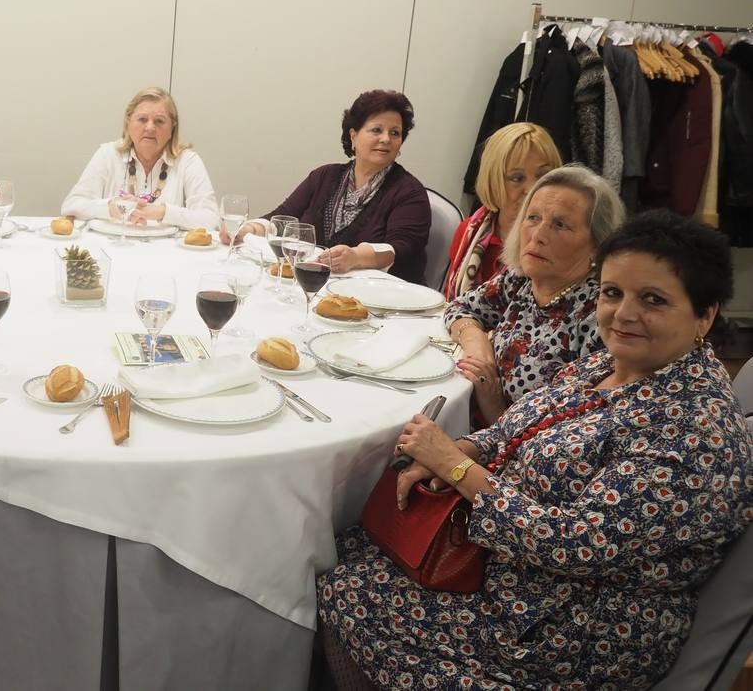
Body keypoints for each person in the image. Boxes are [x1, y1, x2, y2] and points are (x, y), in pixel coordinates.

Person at [318, 210, 751, 690]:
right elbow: (517, 427)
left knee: (346, 588)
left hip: (567, 625)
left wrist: (457, 468)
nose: (624, 313)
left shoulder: (693, 430)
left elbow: (574, 545)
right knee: (348, 541)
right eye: (612, 293)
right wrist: (468, 446)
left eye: (653, 299)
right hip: (511, 567)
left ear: (704, 314)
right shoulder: (611, 362)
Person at [445, 165, 625, 426]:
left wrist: (491, 399)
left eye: (560, 225)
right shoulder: (522, 279)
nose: (538, 236)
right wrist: (476, 342)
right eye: (533, 218)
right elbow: (461, 307)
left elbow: (558, 439)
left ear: (598, 245)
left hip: (506, 454)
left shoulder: (600, 317)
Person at [232, 89, 430, 283]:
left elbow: (401, 248)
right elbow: (283, 217)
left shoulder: (409, 192)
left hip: (384, 299)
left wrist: (355, 257)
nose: (386, 138)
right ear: (353, 136)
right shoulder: (325, 176)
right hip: (318, 287)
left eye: (395, 133)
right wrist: (246, 230)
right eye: (377, 130)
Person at [60, 87, 218, 229]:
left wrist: (161, 211)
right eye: (142, 119)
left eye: (159, 121)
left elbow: (211, 219)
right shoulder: (108, 154)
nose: (150, 127)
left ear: (172, 129)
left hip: (166, 253)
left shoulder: (188, 161)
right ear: (128, 123)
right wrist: (110, 208)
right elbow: (72, 205)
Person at [444, 122, 562, 300]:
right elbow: (449, 304)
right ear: (493, 182)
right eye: (517, 178)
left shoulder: (561, 243)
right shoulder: (468, 231)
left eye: (542, 175)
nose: (532, 189)